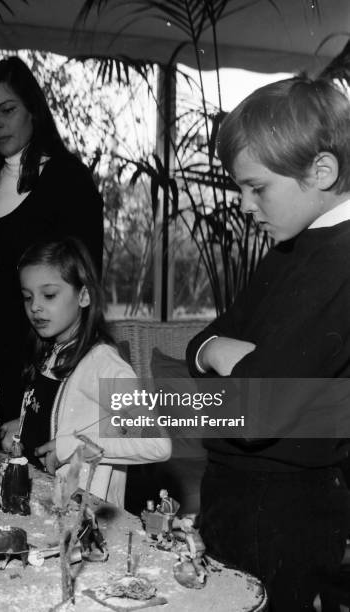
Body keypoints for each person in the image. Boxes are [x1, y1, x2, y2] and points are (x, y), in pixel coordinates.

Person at [185, 76, 350, 611]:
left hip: (285, 511)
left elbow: (256, 412)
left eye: (258, 187)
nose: (245, 204)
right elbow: (200, 345)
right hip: (237, 494)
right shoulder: (290, 249)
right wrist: (217, 353)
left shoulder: (340, 260)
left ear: (321, 171)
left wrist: (229, 360)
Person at [0, 57, 104, 429]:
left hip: (40, 364)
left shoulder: (70, 181)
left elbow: (83, 278)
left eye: (7, 110)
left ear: (32, 109)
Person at [0, 237, 171, 507]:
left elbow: (157, 443)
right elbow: (61, 418)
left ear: (84, 295)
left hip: (83, 522)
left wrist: (73, 446)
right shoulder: (50, 350)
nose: (35, 306)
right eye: (27, 297)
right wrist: (22, 428)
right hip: (40, 503)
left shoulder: (103, 364)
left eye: (49, 295)